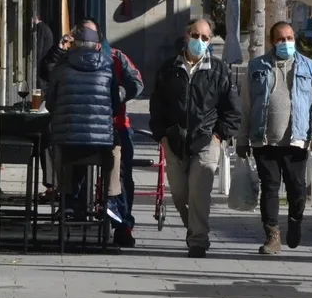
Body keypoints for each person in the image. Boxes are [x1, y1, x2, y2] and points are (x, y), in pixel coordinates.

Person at [150, 18, 241, 258]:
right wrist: (161, 136)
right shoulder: (169, 69)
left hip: (206, 140)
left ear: (210, 41)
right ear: (186, 35)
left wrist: (218, 136)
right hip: (174, 141)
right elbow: (157, 105)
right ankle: (194, 230)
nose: (199, 41)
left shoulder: (219, 71)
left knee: (199, 192)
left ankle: (198, 240)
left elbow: (232, 110)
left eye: (205, 38)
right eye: (195, 35)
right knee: (180, 195)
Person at [237, 21, 312, 254]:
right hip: (264, 139)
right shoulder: (257, 67)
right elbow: (246, 105)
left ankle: (295, 222)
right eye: (280, 39)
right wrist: (241, 139)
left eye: (289, 38)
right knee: (269, 187)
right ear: (272, 41)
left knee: (296, 189)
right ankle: (272, 236)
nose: (285, 42)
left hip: (296, 141)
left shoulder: (309, 67)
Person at [80, 18, 144, 247]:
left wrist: (119, 94)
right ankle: (77, 211)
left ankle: (123, 223)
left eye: (91, 35)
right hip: (84, 127)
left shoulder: (116, 57)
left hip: (116, 125)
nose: (86, 41)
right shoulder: (71, 58)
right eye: (82, 35)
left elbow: (137, 82)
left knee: (123, 172)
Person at [46, 25, 121, 219]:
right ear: (97, 47)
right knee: (116, 148)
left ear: (74, 46)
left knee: (56, 146)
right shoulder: (108, 67)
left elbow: (50, 103)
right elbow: (115, 103)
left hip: (68, 144)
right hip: (100, 147)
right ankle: (111, 198)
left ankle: (67, 197)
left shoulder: (61, 68)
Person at [31, 14, 54, 90]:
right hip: (46, 57)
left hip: (43, 57)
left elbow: (40, 45)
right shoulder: (44, 27)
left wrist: (36, 59)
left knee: (40, 81)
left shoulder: (41, 28)